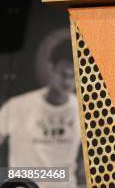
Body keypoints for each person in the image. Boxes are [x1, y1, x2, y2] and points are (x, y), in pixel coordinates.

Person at [0, 38, 84, 188]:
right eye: (63, 74)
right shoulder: (17, 106)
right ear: (51, 68)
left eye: (73, 76)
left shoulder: (82, 110)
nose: (67, 82)